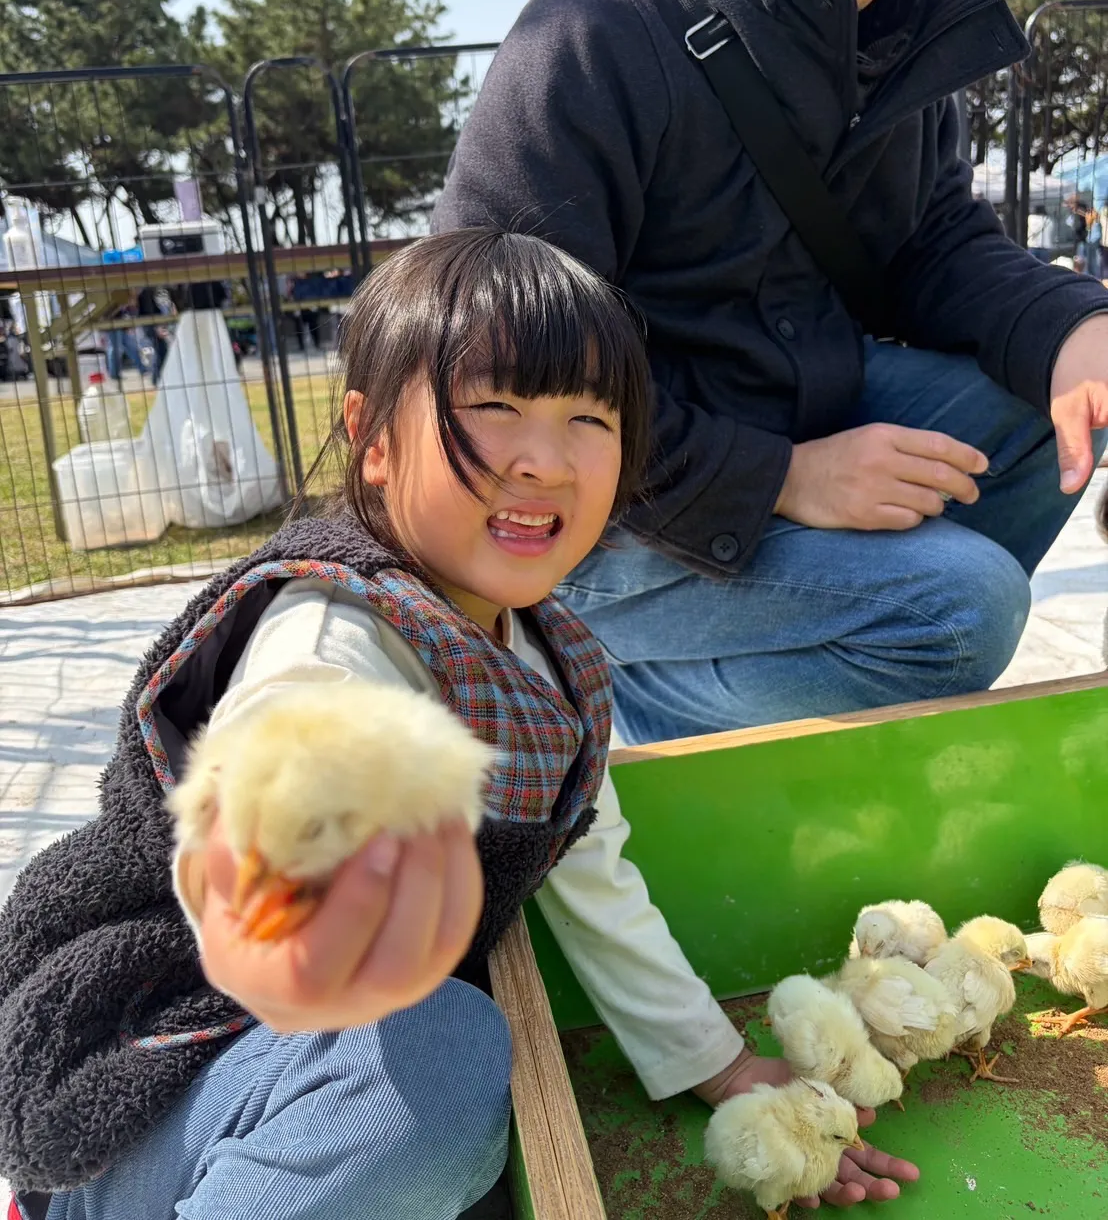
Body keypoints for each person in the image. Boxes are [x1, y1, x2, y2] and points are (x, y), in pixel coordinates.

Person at [0, 230, 918, 1220]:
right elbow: (287, 729)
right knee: (443, 1057)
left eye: (588, 416)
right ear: (374, 439)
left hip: (285, 1073)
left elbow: (587, 862)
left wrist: (724, 1066)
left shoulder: (546, 653)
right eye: (493, 410)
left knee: (460, 1082)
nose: (545, 460)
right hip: (161, 1076)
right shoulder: (333, 623)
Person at [434, 0, 1108, 744]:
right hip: (589, 515)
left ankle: (838, 684)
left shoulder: (899, 32)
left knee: (1047, 409)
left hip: (786, 415)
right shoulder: (593, 39)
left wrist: (1075, 328)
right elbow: (498, 384)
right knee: (957, 607)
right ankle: (619, 695)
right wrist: (784, 479)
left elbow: (929, 242)